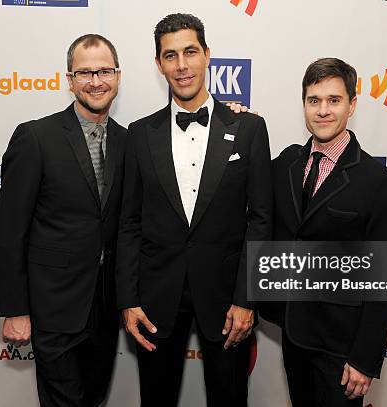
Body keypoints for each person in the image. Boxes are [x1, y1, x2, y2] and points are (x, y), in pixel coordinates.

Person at [115, 13, 272, 406]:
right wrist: (128, 299)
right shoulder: (139, 133)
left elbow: (261, 220)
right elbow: (129, 222)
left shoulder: (249, 129)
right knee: (156, 398)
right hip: (155, 298)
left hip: (227, 300)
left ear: (207, 56)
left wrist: (247, 298)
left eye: (190, 52)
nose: (182, 65)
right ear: (158, 64)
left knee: (230, 398)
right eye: (170, 56)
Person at [0, 34, 126, 407]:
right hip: (53, 307)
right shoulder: (35, 137)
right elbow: (9, 232)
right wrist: (15, 308)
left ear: (118, 76)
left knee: (94, 398)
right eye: (85, 72)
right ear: (69, 79)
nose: (95, 81)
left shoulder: (128, 142)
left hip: (106, 307)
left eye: (103, 71)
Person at [262, 57, 387, 406]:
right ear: (304, 105)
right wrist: (233, 118)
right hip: (294, 336)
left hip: (342, 350)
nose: (323, 110)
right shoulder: (286, 164)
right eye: (314, 100)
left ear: (352, 105)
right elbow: (243, 183)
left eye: (334, 100)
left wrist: (364, 359)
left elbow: (386, 278)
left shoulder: (378, 181)